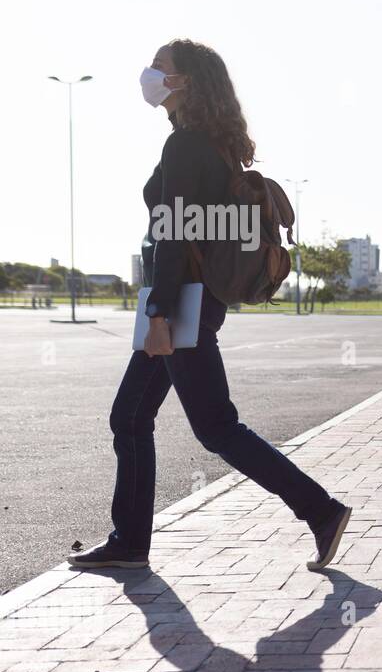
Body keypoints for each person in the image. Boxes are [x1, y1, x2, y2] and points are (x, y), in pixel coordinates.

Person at [68, 39, 350, 572]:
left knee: (215, 426)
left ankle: (321, 511)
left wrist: (158, 318)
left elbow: (174, 235)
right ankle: (130, 542)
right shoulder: (211, 145)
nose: (151, 75)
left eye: (161, 67)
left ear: (186, 81)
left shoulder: (186, 147)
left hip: (179, 302)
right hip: (192, 299)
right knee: (129, 416)